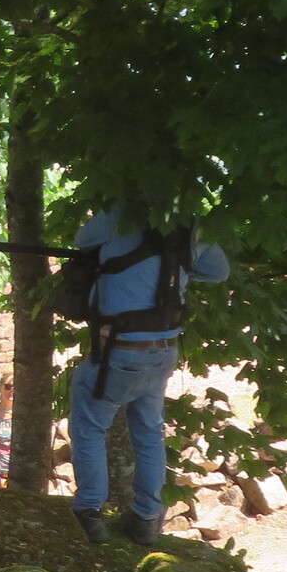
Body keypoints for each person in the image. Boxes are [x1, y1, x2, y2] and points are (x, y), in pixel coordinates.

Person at [67, 208, 228, 546]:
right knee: (150, 433)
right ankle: (145, 518)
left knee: (90, 427)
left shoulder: (118, 214)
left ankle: (89, 512)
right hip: (163, 349)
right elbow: (218, 271)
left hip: (120, 350)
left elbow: (82, 240)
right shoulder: (190, 222)